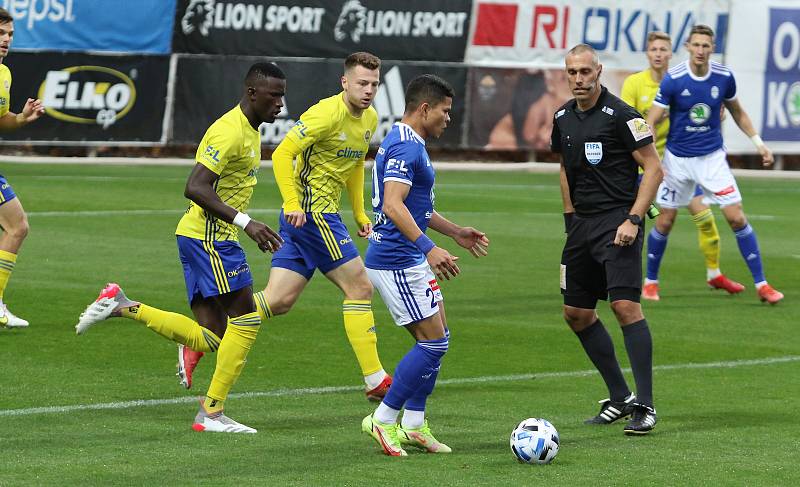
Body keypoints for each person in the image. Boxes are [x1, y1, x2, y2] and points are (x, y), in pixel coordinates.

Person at [76, 62, 287, 434]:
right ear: (252, 92)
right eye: (274, 95)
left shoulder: (249, 130)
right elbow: (195, 186)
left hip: (201, 236)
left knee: (213, 336)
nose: (281, 103)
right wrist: (246, 222)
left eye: (282, 95)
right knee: (247, 320)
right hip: (211, 238)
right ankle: (212, 412)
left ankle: (123, 305)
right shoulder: (229, 132)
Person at [178, 52, 392, 400]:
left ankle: (203, 338)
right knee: (361, 288)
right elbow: (282, 154)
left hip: (316, 218)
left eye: (374, 84)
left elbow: (354, 164)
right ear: (345, 82)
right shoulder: (325, 114)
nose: (368, 90)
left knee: (278, 301)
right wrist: (293, 203)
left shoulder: (369, 117)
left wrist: (360, 213)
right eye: (362, 83)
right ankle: (375, 379)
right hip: (313, 215)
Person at [361, 74, 489, 456]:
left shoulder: (406, 142)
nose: (448, 119)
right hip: (397, 260)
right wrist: (429, 247)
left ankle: (414, 424)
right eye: (445, 112)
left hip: (407, 256)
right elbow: (393, 205)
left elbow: (417, 207)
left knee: (437, 338)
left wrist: (454, 232)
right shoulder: (406, 148)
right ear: (424, 109)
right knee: (433, 343)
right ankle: (383, 419)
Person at [552, 44, 663, 435]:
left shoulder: (623, 116)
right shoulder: (562, 117)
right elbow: (565, 169)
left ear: (598, 71)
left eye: (585, 71)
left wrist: (633, 218)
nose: (578, 79)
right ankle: (620, 396)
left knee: (625, 307)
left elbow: (653, 168)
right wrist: (569, 219)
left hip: (619, 222)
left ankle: (645, 405)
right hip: (581, 226)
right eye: (572, 72)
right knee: (576, 314)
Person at [645, 25, 784, 304]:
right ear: (687, 46)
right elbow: (651, 119)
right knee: (665, 221)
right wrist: (648, 156)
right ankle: (650, 282)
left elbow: (738, 112)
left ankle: (762, 285)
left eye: (705, 46)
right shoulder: (674, 79)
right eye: (696, 45)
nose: (700, 50)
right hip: (678, 160)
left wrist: (759, 143)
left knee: (736, 217)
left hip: (711, 159)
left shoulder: (723, 77)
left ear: (712, 48)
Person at [623, 31, 744, 301]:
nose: (658, 54)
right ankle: (636, 279)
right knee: (647, 221)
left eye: (663, 49)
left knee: (705, 218)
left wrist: (716, 110)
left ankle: (714, 274)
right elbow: (625, 128)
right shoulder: (634, 84)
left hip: (680, 163)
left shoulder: (678, 81)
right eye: (653, 49)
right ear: (647, 53)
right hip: (647, 169)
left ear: (671, 53)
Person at [0, 7, 45, 328]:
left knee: (17, 226)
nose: (6, 40)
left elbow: (2, 121)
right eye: (1, 33)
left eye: (10, 34)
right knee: (17, 226)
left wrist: (21, 118)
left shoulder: (4, 73)